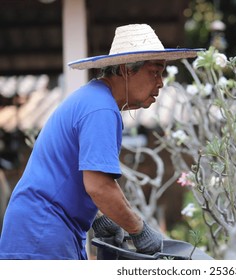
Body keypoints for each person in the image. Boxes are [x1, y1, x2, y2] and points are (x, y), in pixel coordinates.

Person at [0, 23, 201, 259]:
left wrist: (103, 217)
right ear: (126, 70)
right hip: (41, 233)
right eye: (155, 72)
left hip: (43, 227)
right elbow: (99, 187)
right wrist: (139, 230)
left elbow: (80, 176)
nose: (160, 83)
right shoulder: (101, 109)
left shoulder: (94, 99)